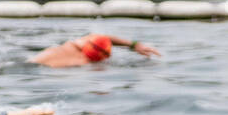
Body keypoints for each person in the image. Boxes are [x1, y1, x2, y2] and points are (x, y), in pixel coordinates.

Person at [31, 34, 161, 68]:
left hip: (33, 61)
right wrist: (133, 45)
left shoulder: (74, 44)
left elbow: (102, 37)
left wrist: (133, 45)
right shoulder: (83, 63)